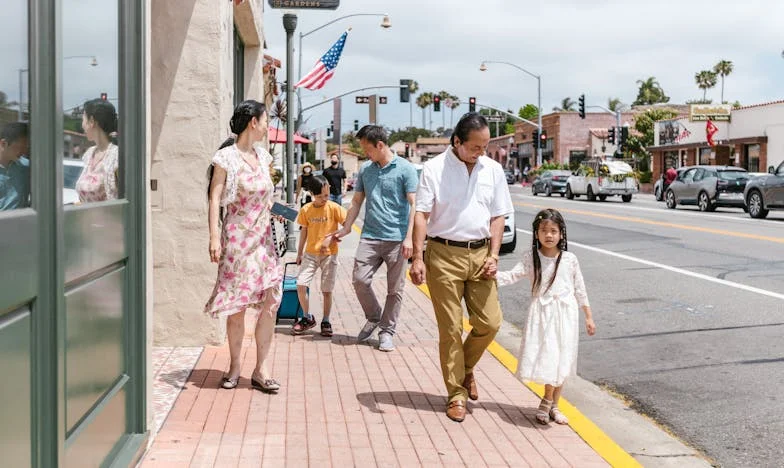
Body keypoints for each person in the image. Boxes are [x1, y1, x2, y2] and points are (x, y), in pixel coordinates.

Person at [410, 112, 513, 423]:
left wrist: (494, 255)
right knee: (451, 328)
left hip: (481, 254)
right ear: (457, 142)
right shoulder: (434, 169)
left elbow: (498, 216)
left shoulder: (493, 170)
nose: (481, 153)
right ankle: (456, 393)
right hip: (442, 255)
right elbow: (421, 215)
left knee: (490, 322)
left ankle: (465, 368)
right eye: (475, 147)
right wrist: (417, 256)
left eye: (485, 147)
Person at [204, 99, 282, 393]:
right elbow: (215, 198)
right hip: (237, 241)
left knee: (270, 305)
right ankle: (235, 366)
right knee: (237, 308)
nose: (267, 126)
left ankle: (261, 369)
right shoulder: (226, 157)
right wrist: (214, 237)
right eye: (265, 120)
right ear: (253, 122)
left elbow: (266, 195)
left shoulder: (264, 157)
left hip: (264, 243)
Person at [496, 208, 596, 425]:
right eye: (544, 230)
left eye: (553, 231)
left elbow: (580, 288)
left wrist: (588, 316)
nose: (549, 235)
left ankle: (552, 404)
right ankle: (548, 401)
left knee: (562, 357)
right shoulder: (531, 258)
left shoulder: (569, 259)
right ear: (536, 233)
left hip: (565, 314)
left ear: (561, 234)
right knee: (548, 356)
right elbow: (512, 276)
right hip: (542, 313)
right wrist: (490, 276)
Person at [333, 125, 418, 352]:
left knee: (395, 289)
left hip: (397, 239)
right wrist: (346, 228)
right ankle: (374, 316)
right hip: (369, 236)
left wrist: (409, 238)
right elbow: (356, 201)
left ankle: (387, 331)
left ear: (380, 145)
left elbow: (415, 205)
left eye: (367, 149)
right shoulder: (366, 170)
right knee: (359, 279)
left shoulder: (405, 169)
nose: (365, 153)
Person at [292, 175, 347, 337]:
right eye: (320, 195)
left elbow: (348, 224)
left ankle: (325, 320)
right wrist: (299, 252)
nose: (325, 198)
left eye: (327, 194)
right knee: (301, 284)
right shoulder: (306, 209)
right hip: (309, 254)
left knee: (326, 290)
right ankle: (307, 317)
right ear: (311, 194)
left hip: (329, 255)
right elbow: (304, 231)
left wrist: (333, 236)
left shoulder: (334, 208)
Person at [75, 98, 119, 202]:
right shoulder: (89, 154)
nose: (82, 125)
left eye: (83, 120)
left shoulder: (116, 156)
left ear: (91, 121)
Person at [0, 122, 31, 210]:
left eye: (26, 148)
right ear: (4, 144)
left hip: (20, 222)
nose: (24, 152)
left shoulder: (27, 168)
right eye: (20, 147)